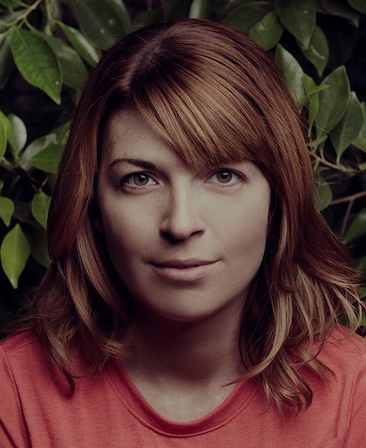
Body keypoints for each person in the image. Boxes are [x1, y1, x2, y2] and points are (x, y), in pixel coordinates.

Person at [1, 18, 365, 447]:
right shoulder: (15, 394)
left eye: (223, 175)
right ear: (93, 203)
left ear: (278, 194)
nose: (181, 223)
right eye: (140, 179)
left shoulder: (354, 390)